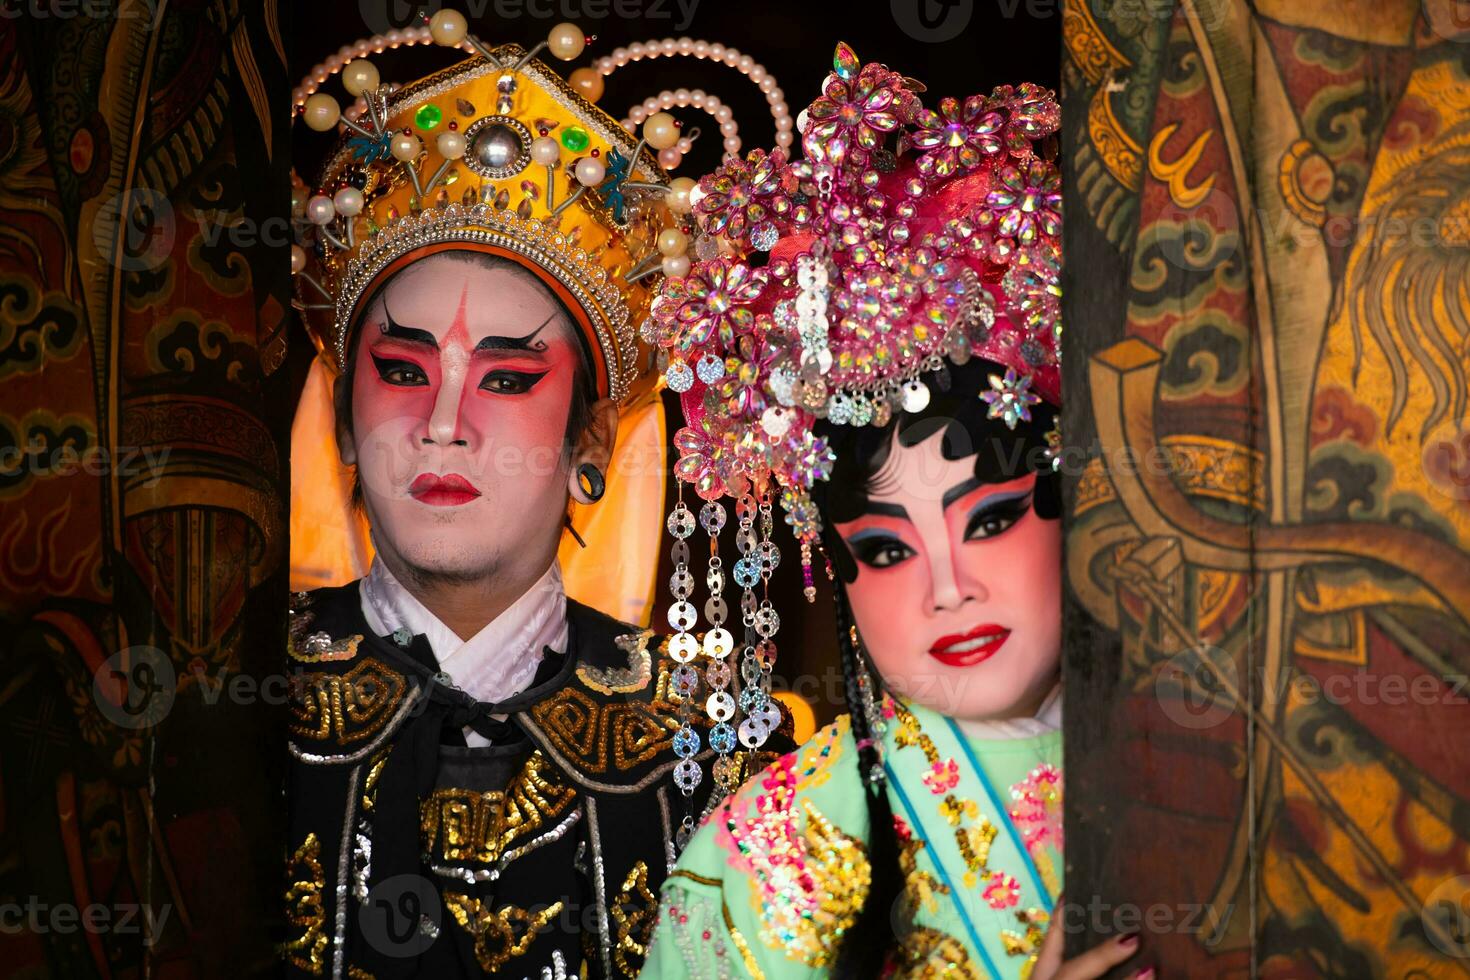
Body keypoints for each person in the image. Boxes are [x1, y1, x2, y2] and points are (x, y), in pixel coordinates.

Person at [280, 13, 789, 978]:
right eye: (400, 368)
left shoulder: (712, 761)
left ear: (589, 440)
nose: (443, 422)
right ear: (345, 420)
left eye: (509, 380)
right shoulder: (236, 717)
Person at [638, 44, 1151, 979]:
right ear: (832, 573)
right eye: (885, 548)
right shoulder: (765, 857)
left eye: (989, 520)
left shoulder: (1204, 761)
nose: (949, 590)